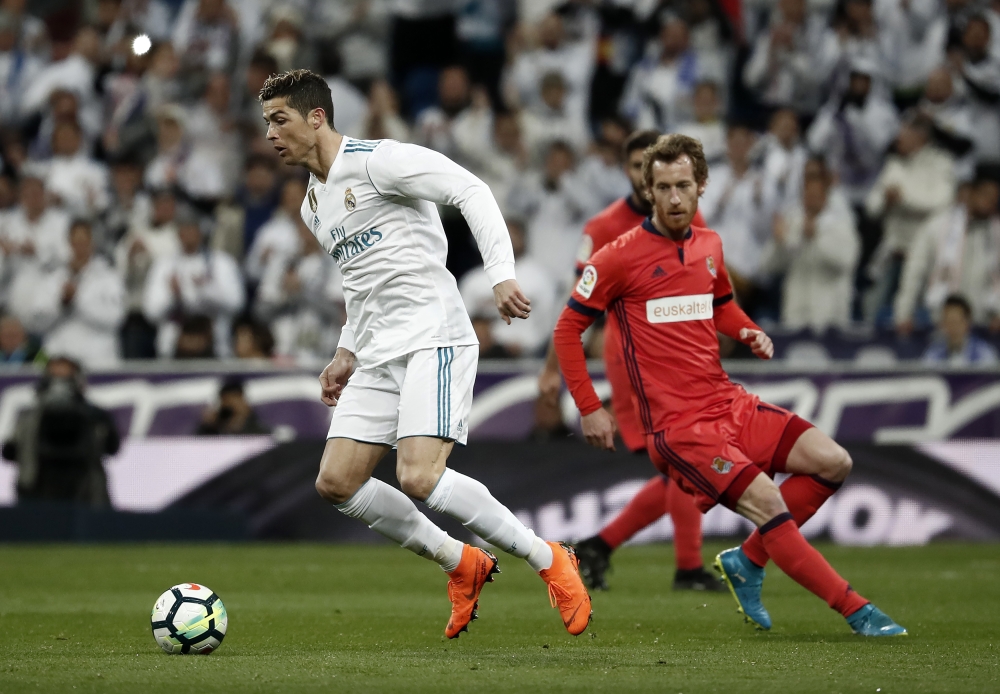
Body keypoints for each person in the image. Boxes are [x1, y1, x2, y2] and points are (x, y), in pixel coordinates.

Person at [259, 69, 591, 639]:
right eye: (267, 122)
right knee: (336, 482)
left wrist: (500, 276)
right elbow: (360, 285)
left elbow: (472, 190)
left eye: (280, 119)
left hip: (433, 335)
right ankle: (461, 562)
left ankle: (549, 558)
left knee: (418, 476)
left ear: (316, 118)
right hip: (377, 351)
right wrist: (345, 351)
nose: (270, 134)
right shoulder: (314, 204)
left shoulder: (377, 161)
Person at [553, 133, 906, 637]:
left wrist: (746, 330)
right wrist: (589, 406)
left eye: (683, 186)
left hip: (727, 401)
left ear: (701, 186)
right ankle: (858, 610)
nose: (674, 198)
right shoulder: (616, 257)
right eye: (663, 188)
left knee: (834, 463)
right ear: (648, 192)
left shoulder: (710, 246)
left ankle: (745, 561)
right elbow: (567, 329)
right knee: (770, 504)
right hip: (678, 429)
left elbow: (719, 304)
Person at [538, 129, 719, 593]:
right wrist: (552, 371)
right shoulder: (603, 228)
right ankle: (687, 568)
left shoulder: (685, 217)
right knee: (687, 461)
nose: (654, 182)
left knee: (687, 465)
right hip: (635, 360)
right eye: (641, 167)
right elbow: (576, 307)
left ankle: (599, 546)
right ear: (631, 171)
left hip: (686, 359)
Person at [1, 356, 120, 506]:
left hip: (84, 493)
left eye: (66, 379)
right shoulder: (28, 419)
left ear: (78, 381)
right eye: (54, 378)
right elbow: (9, 452)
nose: (59, 387)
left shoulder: (96, 417)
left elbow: (113, 448)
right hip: (38, 492)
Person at [922, 294, 999, 365]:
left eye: (956, 321)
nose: (952, 327)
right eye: (948, 322)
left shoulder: (984, 353)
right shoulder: (933, 353)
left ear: (968, 322)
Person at [196, 377, 271, 435]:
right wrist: (208, 426)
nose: (229, 406)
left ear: (243, 402)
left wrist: (239, 420)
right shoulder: (213, 427)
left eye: (233, 401)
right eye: (225, 402)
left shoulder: (258, 429)